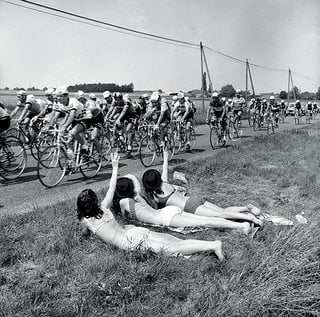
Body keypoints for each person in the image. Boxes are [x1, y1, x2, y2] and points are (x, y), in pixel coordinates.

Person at [77, 152, 224, 260]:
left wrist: (87, 236)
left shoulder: (86, 220)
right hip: (135, 232)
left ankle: (213, 245)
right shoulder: (104, 207)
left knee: (170, 249)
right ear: (95, 201)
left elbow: (85, 235)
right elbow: (111, 186)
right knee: (175, 241)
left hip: (129, 242)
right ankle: (208, 244)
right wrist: (115, 167)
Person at [141, 149, 262, 225]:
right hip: (192, 199)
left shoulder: (156, 197)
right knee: (221, 210)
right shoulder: (165, 182)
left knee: (220, 215)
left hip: (190, 207)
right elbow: (165, 169)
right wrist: (165, 157)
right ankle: (246, 209)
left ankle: (251, 218)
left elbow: (155, 210)